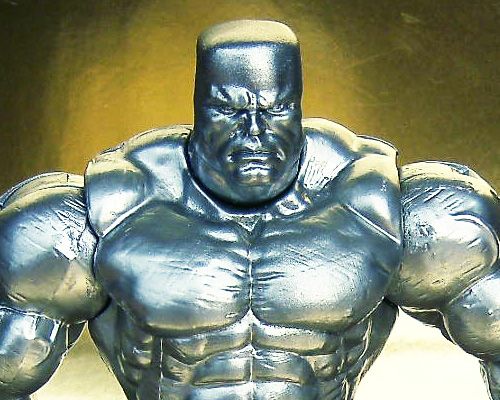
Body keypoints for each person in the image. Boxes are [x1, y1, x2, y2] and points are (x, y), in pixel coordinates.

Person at [0, 20, 498, 400]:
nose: (254, 133)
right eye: (229, 110)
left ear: (297, 105)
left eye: (275, 110)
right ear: (199, 108)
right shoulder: (101, 216)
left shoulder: (386, 209)